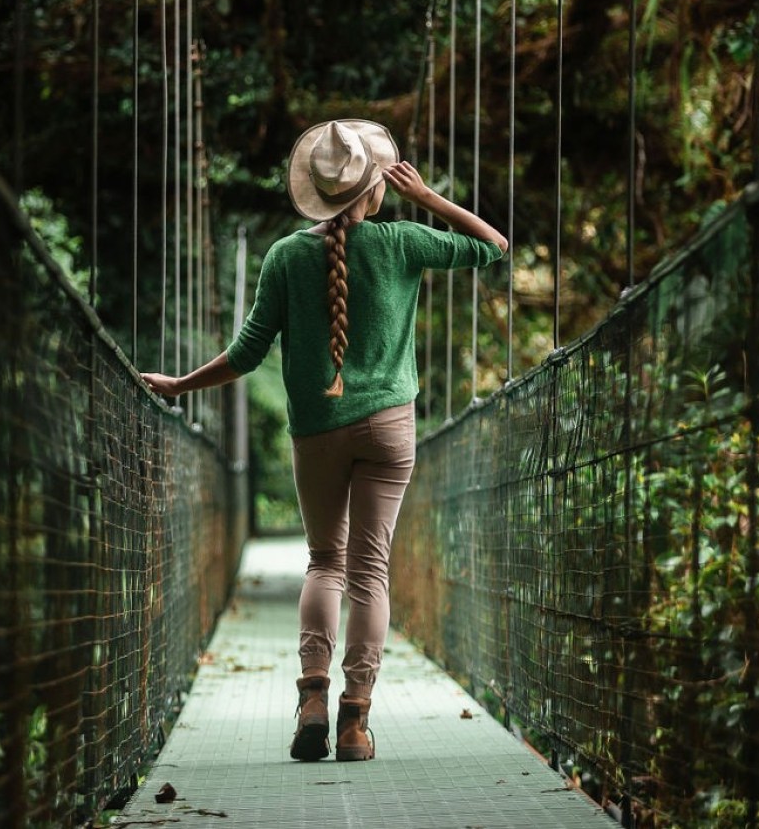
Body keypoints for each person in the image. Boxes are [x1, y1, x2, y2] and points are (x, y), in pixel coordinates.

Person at [140, 119, 506, 762]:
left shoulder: (285, 257)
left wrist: (176, 386)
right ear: (377, 186)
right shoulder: (403, 242)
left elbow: (245, 356)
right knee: (370, 573)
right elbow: (493, 246)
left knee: (325, 563)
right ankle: (355, 722)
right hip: (391, 429)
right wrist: (428, 200)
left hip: (317, 433)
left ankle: (311, 696)